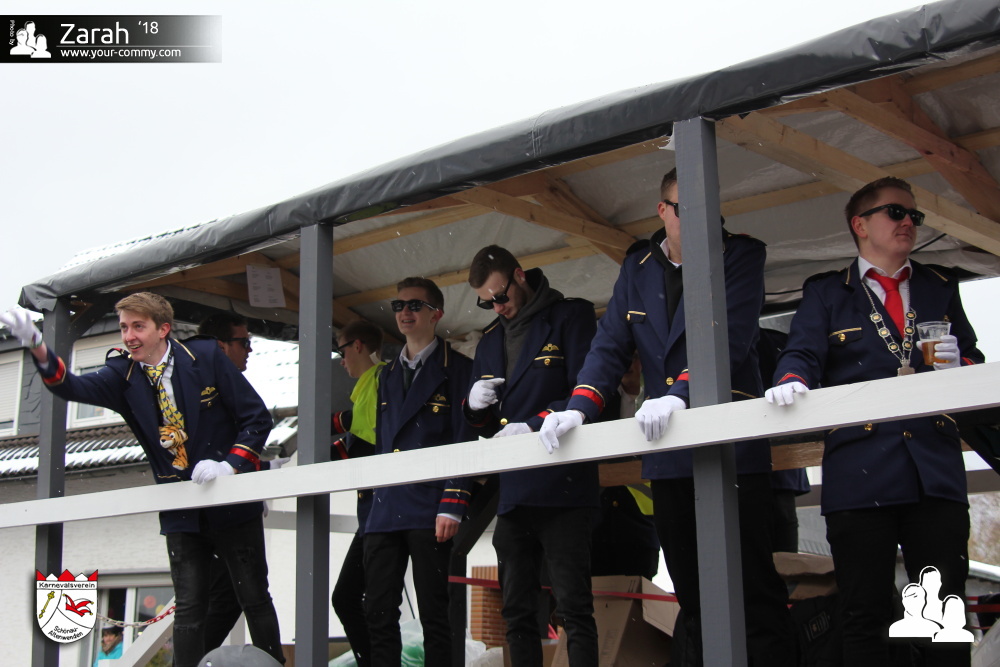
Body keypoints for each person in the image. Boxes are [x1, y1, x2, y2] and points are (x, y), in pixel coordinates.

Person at [538, 168, 795, 666]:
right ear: (663, 211)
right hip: (671, 455)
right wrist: (579, 408)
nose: (701, 218)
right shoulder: (637, 268)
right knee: (692, 594)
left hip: (731, 449)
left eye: (709, 207)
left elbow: (730, 335)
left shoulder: (741, 255)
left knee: (754, 591)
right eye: (686, 207)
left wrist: (681, 394)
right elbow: (609, 347)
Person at [0, 293, 284, 667]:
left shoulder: (206, 356)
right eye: (124, 327)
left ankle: (274, 663)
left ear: (163, 329)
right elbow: (69, 386)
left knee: (254, 596)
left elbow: (257, 419)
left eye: (138, 326)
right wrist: (38, 347)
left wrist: (229, 466)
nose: (129, 336)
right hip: (180, 510)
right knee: (189, 608)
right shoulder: (123, 374)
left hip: (231, 503)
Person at [766, 176, 983, 665]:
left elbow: (973, 358)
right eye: (896, 212)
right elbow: (801, 354)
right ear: (860, 225)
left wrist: (961, 364)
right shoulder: (827, 292)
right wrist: (791, 379)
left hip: (934, 470)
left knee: (944, 618)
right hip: (860, 471)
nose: (909, 222)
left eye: (914, 215)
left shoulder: (938, 286)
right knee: (864, 615)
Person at [464, 245, 600, 666]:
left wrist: (536, 422)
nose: (497, 307)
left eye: (501, 296)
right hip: (514, 492)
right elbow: (486, 427)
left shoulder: (570, 316)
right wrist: (474, 407)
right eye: (486, 302)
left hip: (564, 487)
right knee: (516, 612)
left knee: (574, 608)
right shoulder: (490, 339)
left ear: (520, 276)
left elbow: (588, 391)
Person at [364, 277, 474, 666]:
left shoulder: (460, 369)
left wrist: (454, 502)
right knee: (377, 611)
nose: (404, 312)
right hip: (386, 506)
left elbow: (465, 439)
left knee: (435, 613)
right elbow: (382, 443)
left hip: (431, 505)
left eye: (414, 305)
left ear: (436, 314)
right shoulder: (386, 374)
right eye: (398, 306)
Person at [331, 319, 386, 667]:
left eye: (342, 351)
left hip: (379, 508)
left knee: (350, 598)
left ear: (358, 346)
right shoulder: (372, 383)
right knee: (361, 600)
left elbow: (366, 444)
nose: (341, 361)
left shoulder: (377, 381)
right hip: (374, 509)